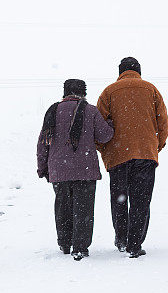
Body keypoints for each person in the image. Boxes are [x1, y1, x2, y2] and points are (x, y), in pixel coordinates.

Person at [96, 57, 168, 258]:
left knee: (119, 200)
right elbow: (163, 123)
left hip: (118, 156)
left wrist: (104, 149)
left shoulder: (109, 92)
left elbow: (99, 126)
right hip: (145, 155)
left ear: (120, 72)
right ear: (139, 71)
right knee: (141, 201)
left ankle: (121, 240)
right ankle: (135, 244)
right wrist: (155, 146)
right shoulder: (151, 90)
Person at [37, 79, 114, 261]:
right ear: (83, 93)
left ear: (65, 93)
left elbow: (43, 143)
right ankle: (80, 247)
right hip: (84, 170)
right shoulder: (90, 110)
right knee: (84, 210)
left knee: (63, 206)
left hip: (59, 170)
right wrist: (110, 123)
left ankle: (64, 243)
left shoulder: (53, 111)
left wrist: (43, 167)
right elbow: (105, 136)